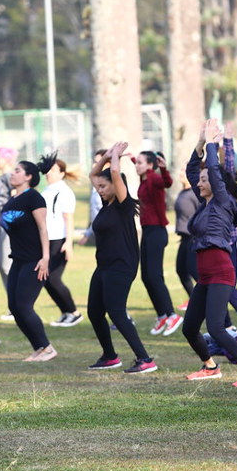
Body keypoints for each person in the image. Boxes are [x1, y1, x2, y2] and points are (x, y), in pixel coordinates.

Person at [182, 120, 237, 387]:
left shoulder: (223, 200)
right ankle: (210, 366)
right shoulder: (205, 203)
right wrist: (200, 142)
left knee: (217, 327)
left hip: (220, 269)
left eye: (205, 180)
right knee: (189, 328)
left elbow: (217, 174)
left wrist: (212, 143)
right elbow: (192, 170)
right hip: (205, 274)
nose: (199, 182)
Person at [87, 143, 158, 373]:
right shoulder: (105, 206)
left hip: (122, 265)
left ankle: (145, 359)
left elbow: (115, 173)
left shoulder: (123, 205)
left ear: (116, 187)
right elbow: (93, 175)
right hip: (104, 266)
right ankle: (110, 356)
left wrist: (114, 157)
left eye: (104, 187)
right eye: (98, 187)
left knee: (116, 312)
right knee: (94, 311)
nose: (99, 189)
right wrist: (105, 158)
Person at [0, 157, 56, 361]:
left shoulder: (34, 198)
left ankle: (47, 348)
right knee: (14, 307)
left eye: (17, 170)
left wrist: (46, 257)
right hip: (19, 259)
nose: (13, 173)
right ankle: (39, 348)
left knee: (24, 305)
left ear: (28, 177)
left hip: (35, 260)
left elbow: (43, 228)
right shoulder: (13, 199)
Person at [135, 150, 184, 336]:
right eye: (136, 162)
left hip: (156, 231)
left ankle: (172, 315)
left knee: (154, 276)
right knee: (146, 276)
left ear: (149, 165)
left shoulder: (154, 178)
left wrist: (163, 169)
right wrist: (128, 156)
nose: (136, 165)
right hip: (147, 231)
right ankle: (162, 315)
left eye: (139, 162)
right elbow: (139, 162)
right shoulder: (145, 178)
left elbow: (167, 183)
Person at [40, 153, 83, 327]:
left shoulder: (64, 191)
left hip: (59, 239)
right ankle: (65, 312)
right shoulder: (46, 190)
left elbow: (68, 218)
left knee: (53, 278)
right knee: (45, 279)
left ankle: (74, 312)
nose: (48, 173)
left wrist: (68, 242)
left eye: (53, 170)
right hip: (47, 240)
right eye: (48, 170)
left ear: (62, 173)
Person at [0, 146, 17, 321]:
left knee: (6, 265)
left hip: (9, 225)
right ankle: (12, 307)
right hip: (1, 225)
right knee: (2, 266)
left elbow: (16, 199)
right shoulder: (1, 178)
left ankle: (17, 306)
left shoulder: (10, 177)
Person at [173, 168, 200, 302]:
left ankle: (208, 300)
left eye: (184, 171)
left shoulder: (194, 193)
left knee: (194, 271)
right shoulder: (183, 192)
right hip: (184, 238)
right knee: (181, 270)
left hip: (192, 238)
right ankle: (195, 300)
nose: (181, 174)